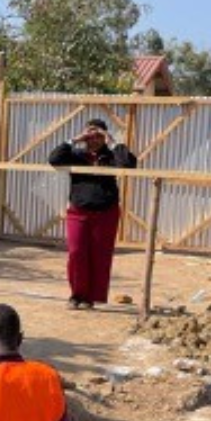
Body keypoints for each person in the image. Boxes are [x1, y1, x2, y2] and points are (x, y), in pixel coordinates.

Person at [48, 118, 137, 309]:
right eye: (90, 135)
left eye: (98, 136)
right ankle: (76, 295)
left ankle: (90, 298)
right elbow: (54, 159)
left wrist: (113, 142)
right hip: (78, 211)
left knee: (100, 256)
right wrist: (76, 139)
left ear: (105, 137)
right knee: (77, 253)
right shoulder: (77, 155)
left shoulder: (112, 156)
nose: (93, 139)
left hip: (106, 212)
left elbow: (128, 165)